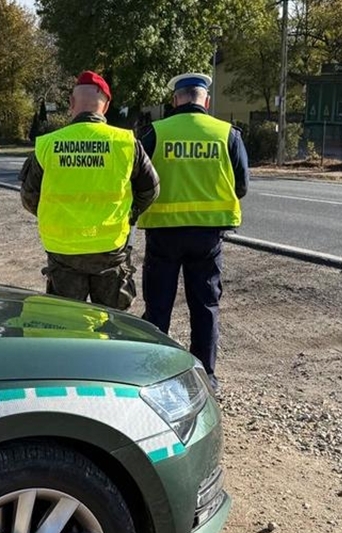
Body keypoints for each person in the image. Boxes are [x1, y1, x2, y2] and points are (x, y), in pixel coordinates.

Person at [137, 72, 249, 393]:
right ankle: (205, 378)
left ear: (176, 100)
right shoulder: (227, 134)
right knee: (205, 306)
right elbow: (241, 185)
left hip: (163, 234)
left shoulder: (156, 132)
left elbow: (139, 180)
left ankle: (154, 374)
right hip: (207, 236)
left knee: (158, 307)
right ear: (206, 101)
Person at [19, 71, 160, 311]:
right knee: (112, 321)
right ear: (106, 106)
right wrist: (129, 214)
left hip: (63, 251)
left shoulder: (48, 144)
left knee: (66, 321)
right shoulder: (126, 143)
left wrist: (58, 218)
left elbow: (29, 197)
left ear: (71, 103)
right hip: (110, 250)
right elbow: (151, 189)